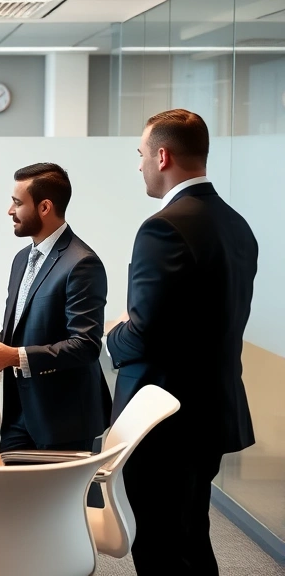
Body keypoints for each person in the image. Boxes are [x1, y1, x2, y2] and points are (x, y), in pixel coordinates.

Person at [107, 109, 257, 575]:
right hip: (210, 412)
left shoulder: (163, 227)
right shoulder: (236, 224)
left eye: (141, 154)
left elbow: (146, 332)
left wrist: (114, 335)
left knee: (160, 547)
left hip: (165, 419)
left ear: (163, 155)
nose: (140, 165)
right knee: (190, 536)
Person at [0, 163, 111, 454]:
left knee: (53, 500)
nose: (9, 211)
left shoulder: (82, 263)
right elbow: (19, 329)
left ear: (45, 207)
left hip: (63, 419)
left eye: (17, 203)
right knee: (8, 495)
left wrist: (14, 356)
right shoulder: (22, 259)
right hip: (19, 413)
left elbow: (85, 346)